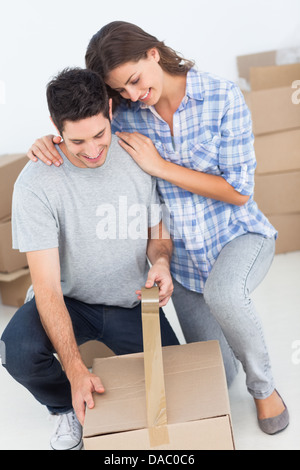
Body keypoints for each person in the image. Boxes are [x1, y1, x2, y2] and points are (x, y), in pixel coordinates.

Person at [26, 21, 289, 435]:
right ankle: (237, 354)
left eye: (133, 81)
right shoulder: (126, 112)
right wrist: (52, 140)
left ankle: (266, 389)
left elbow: (240, 191)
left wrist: (160, 167)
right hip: (182, 260)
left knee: (225, 294)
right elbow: (88, 125)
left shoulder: (221, 97)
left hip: (237, 234)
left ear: (152, 53)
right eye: (121, 90)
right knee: (216, 377)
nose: (132, 94)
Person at [1, 67, 180, 451]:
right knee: (15, 350)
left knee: (178, 378)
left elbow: (157, 235)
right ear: (55, 127)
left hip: (129, 300)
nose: (94, 150)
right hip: (69, 300)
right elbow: (46, 288)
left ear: (110, 110)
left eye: (100, 134)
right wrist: (74, 370)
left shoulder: (137, 157)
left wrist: (161, 262)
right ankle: (62, 406)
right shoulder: (35, 184)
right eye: (77, 140)